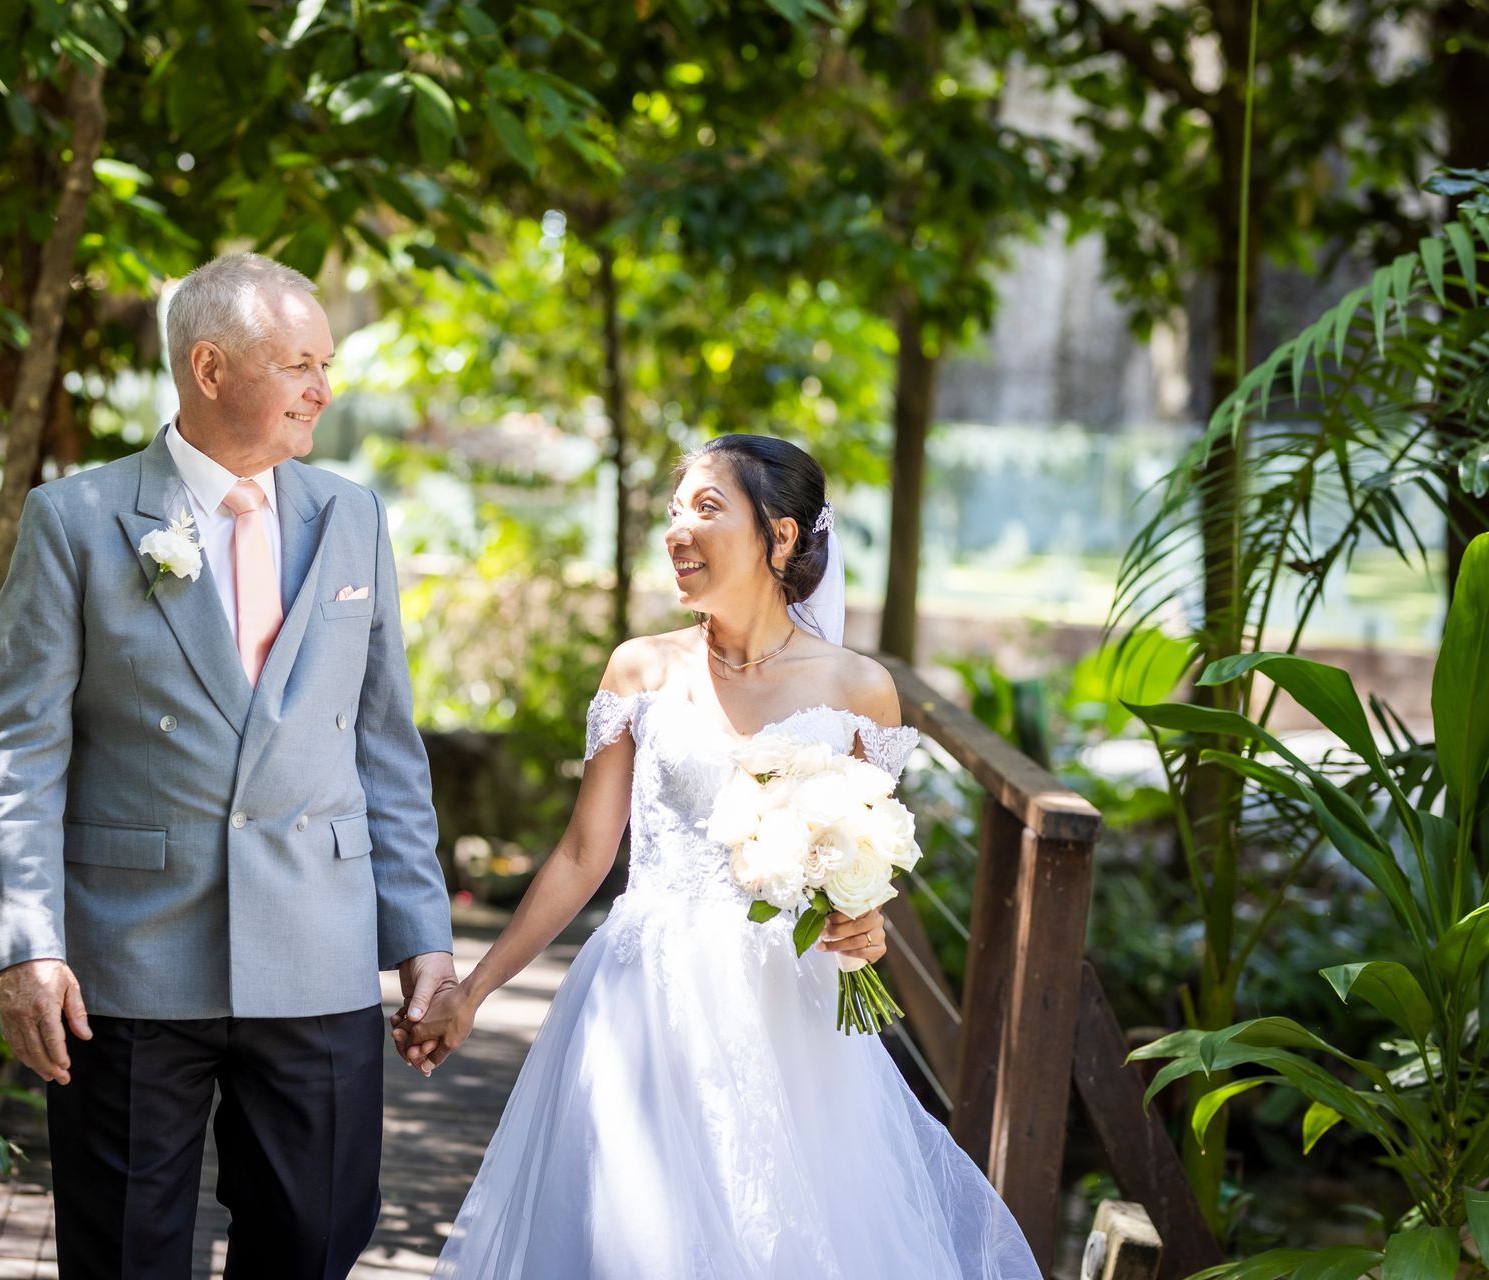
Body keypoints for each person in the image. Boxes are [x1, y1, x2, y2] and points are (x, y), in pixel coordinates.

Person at [403, 435, 1042, 1279]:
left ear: (780, 538)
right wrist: (473, 991)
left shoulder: (858, 689)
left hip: (789, 1009)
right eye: (674, 511)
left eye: (707, 509)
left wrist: (864, 923)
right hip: (643, 997)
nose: (679, 530)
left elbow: (863, 861)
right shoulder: (642, 669)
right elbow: (585, 854)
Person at [0, 252, 456, 1279]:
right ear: (210, 367)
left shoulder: (352, 516)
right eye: (300, 364)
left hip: (320, 952)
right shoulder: (76, 518)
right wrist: (25, 941)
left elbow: (384, 745)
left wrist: (422, 935)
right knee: (122, 1255)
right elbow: (19, 746)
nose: (323, 387)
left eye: (327, 362)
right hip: (131, 961)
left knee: (316, 1241)